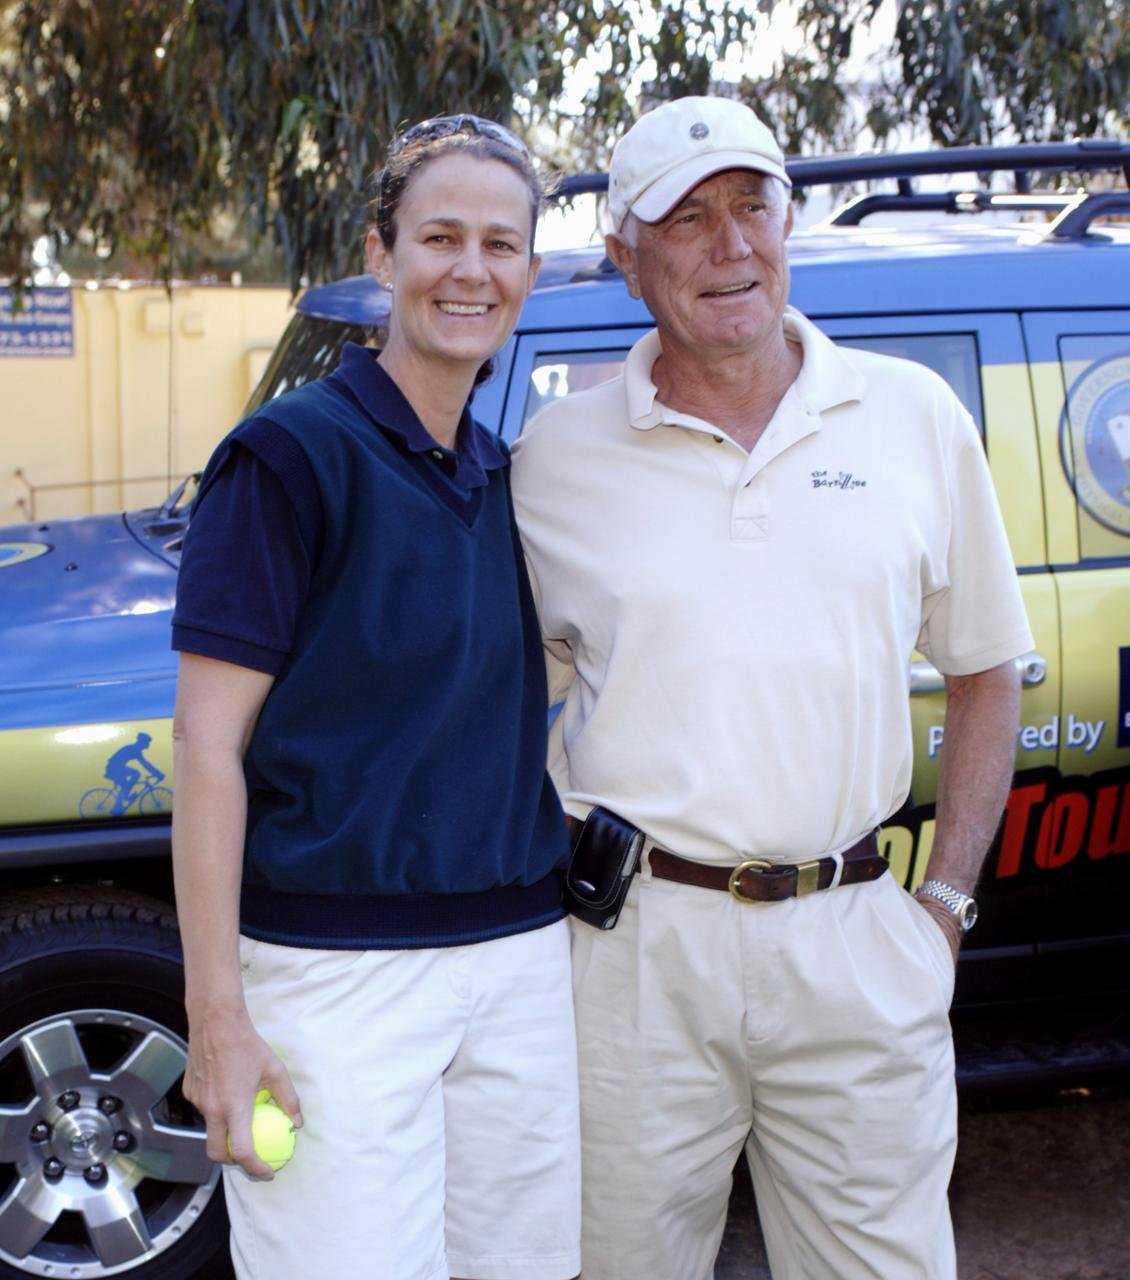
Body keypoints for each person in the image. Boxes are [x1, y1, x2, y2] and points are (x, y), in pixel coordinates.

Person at [511, 95, 1033, 1280]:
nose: (729, 244)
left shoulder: (911, 415)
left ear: (787, 223)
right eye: (686, 219)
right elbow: (499, 700)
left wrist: (943, 907)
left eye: (751, 205)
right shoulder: (553, 460)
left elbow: (985, 667)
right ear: (624, 256)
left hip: (855, 936)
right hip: (633, 955)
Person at [170, 114, 580, 1280]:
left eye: (499, 244)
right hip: (333, 972)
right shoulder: (288, 457)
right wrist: (217, 1015)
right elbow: (205, 750)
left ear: (529, 271)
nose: (470, 270)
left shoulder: (501, 473)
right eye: (439, 236)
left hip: (516, 957)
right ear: (380, 253)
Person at [103, 731, 163, 813]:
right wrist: (157, 774)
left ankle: (125, 797)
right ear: (142, 742)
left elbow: (146, 764)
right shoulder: (134, 749)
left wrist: (157, 773)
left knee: (132, 778)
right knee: (133, 777)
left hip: (116, 768)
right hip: (113, 769)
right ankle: (117, 807)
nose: (148, 744)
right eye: (147, 742)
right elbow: (145, 764)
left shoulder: (135, 749)